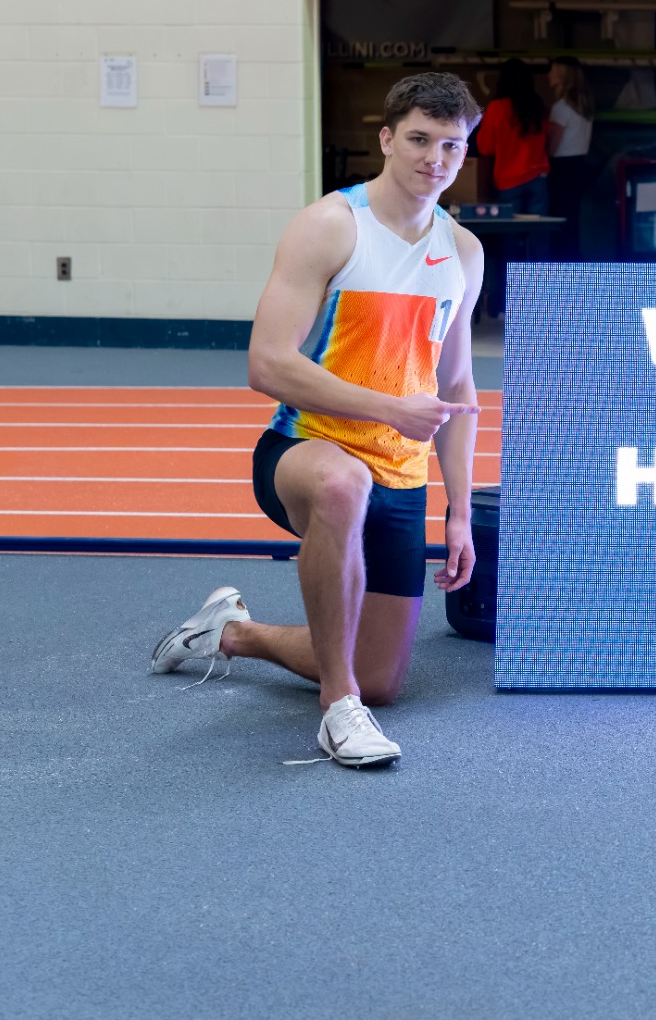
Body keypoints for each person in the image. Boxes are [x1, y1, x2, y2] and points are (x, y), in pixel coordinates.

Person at [148, 72, 486, 768]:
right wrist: (392, 407)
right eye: (420, 139)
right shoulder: (332, 225)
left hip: (399, 472)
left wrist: (459, 509)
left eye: (451, 145)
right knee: (342, 485)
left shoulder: (462, 251)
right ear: (387, 138)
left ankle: (235, 632)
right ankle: (338, 710)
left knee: (385, 678)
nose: (435, 159)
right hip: (305, 449)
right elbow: (267, 364)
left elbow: (455, 385)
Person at [477, 58, 552, 216]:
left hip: (508, 181)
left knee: (509, 231)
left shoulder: (497, 108)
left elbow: (485, 147)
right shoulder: (538, 106)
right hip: (538, 177)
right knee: (539, 230)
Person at [546, 58, 595, 260]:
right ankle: (572, 261)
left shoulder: (561, 108)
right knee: (573, 220)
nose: (548, 75)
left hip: (562, 169)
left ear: (561, 77)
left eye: (552, 71)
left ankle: (560, 262)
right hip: (579, 165)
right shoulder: (584, 106)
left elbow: (553, 146)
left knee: (559, 220)